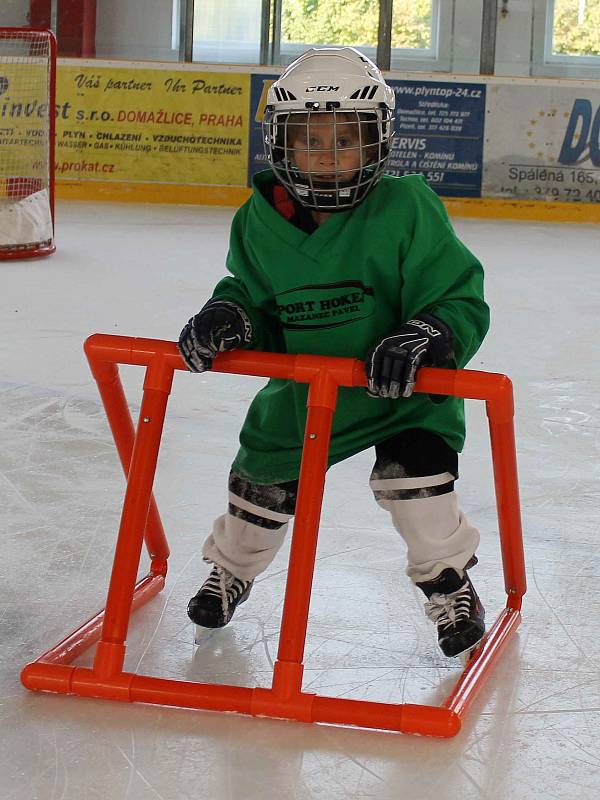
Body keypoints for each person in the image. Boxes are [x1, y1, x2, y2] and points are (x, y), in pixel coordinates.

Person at [178, 47, 490, 659]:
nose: (326, 154)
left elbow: (460, 299)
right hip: (305, 392)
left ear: (376, 143)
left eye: (345, 139)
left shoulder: (406, 207)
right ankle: (233, 568)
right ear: (280, 143)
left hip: (402, 394)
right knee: (258, 486)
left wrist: (427, 333)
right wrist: (231, 315)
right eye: (310, 138)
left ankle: (450, 583)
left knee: (418, 483)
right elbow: (257, 301)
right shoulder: (255, 221)